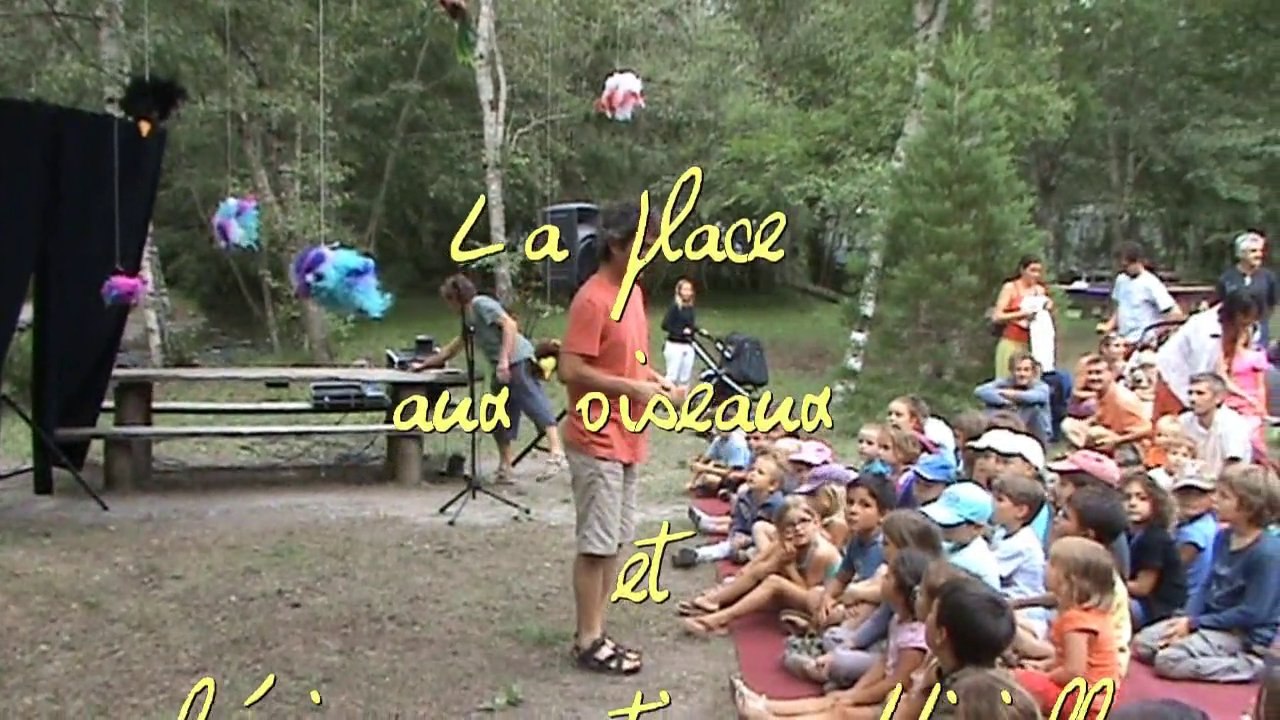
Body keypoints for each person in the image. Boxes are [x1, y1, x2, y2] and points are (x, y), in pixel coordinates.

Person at [556, 201, 677, 675]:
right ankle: (588, 640)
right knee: (597, 544)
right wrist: (631, 387)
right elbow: (570, 368)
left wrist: (659, 381)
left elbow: (630, 360)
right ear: (615, 245)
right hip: (596, 435)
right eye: (643, 245)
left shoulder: (633, 294)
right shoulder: (593, 299)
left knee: (617, 540)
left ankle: (598, 630)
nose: (650, 253)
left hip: (629, 434)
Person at [1133, 464, 1280, 683]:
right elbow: (1207, 584)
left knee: (1167, 661)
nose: (1215, 501)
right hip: (1209, 620)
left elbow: (1254, 612)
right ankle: (1199, 649)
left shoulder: (1266, 553)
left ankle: (1248, 666)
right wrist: (1187, 619)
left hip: (1242, 633)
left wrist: (1195, 625)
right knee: (1143, 644)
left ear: (1248, 506)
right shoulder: (1223, 537)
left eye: (1224, 496)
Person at [417, 274, 566, 483]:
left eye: (449, 300)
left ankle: (557, 453)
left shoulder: (480, 304)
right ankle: (506, 466)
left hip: (518, 359)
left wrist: (504, 360)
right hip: (501, 368)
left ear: (455, 297)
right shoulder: (468, 317)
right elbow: (456, 345)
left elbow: (509, 325)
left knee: (533, 403)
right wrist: (425, 364)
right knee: (497, 415)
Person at [682, 498, 841, 636]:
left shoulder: (821, 552)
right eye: (790, 526)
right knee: (766, 569)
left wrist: (787, 566)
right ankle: (716, 601)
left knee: (773, 581)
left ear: (816, 522)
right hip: (804, 593)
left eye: (804, 521)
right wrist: (753, 571)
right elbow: (756, 566)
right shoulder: (789, 541)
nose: (798, 529)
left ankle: (719, 619)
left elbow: (808, 591)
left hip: (824, 602)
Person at [1013, 536, 1123, 720]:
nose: (1044, 566)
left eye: (1051, 563)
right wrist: (1043, 666)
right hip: (1090, 697)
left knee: (1017, 679)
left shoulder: (1077, 622)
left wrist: (1043, 677)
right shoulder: (1087, 613)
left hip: (1084, 704)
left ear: (1068, 579)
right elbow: (1064, 658)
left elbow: (1073, 671)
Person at [1154, 288, 1263, 420]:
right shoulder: (1205, 330)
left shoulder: (1246, 327)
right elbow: (1201, 377)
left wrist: (1246, 397)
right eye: (1246, 318)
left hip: (1209, 384)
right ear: (1233, 313)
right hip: (1175, 382)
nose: (1249, 323)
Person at [1123, 471, 1188, 628]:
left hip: (1158, 610)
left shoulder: (1154, 538)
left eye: (1142, 498)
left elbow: (1142, 588)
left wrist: (1103, 583)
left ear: (1156, 503)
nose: (1132, 503)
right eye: (1127, 497)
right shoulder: (1127, 534)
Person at [1097, 241, 1183, 347]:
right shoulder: (1121, 280)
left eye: (1126, 266)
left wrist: (1159, 335)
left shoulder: (1151, 283)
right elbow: (1121, 307)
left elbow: (1175, 313)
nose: (1123, 269)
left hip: (1143, 343)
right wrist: (1108, 326)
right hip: (1123, 341)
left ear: (1138, 262)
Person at [1060, 354, 1152, 453]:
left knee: (1095, 432)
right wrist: (1086, 423)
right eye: (1090, 373)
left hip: (1133, 445)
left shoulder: (1122, 399)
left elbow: (1149, 429)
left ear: (1111, 374)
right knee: (1069, 424)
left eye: (1098, 373)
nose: (1094, 377)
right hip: (1114, 434)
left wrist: (1117, 441)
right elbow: (1101, 414)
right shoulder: (1103, 393)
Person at [1177, 373, 1253, 475]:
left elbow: (1234, 466)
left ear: (1218, 398)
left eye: (1200, 393)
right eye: (1190, 393)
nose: (1192, 399)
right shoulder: (1183, 421)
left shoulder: (1232, 424)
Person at [991, 255, 1052, 379]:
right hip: (1012, 341)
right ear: (1022, 270)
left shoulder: (1039, 290)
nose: (1036, 275)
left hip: (1033, 343)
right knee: (1007, 380)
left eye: (1039, 271)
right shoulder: (1011, 288)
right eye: (1032, 270)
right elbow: (997, 316)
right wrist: (1021, 314)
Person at [973, 352, 1053, 445]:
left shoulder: (1041, 387)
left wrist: (1014, 395)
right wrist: (1005, 401)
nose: (1022, 374)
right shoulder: (1006, 382)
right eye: (1018, 370)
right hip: (1010, 426)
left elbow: (1034, 397)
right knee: (991, 407)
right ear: (1011, 371)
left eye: (1026, 370)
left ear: (1032, 372)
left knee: (1033, 407)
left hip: (1034, 434)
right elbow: (980, 391)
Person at [1216, 231, 1276, 347]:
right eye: (1253, 251)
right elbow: (1220, 306)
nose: (1259, 255)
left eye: (1260, 251)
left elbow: (1272, 305)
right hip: (1231, 338)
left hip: (1261, 338)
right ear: (1241, 254)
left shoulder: (1268, 278)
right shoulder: (1227, 279)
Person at [660, 277, 698, 384]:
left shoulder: (690, 308)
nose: (687, 292)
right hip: (675, 345)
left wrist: (695, 330)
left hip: (688, 345)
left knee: (685, 379)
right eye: (684, 289)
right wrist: (681, 331)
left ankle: (681, 399)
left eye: (689, 290)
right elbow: (665, 325)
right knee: (672, 377)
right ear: (679, 291)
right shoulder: (675, 307)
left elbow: (690, 325)